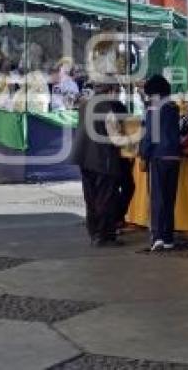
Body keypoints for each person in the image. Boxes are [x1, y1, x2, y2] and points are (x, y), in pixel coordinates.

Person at [71, 82, 130, 246]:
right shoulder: (107, 109)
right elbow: (115, 137)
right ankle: (104, 236)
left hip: (84, 157)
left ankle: (94, 233)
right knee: (106, 198)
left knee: (91, 198)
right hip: (103, 159)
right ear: (110, 91)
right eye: (117, 91)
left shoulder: (84, 104)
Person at [139, 74, 181, 251]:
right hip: (174, 156)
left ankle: (158, 237)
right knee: (170, 197)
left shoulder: (153, 108)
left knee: (158, 198)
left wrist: (143, 154)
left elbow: (150, 135)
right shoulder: (173, 107)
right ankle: (169, 237)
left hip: (158, 156)